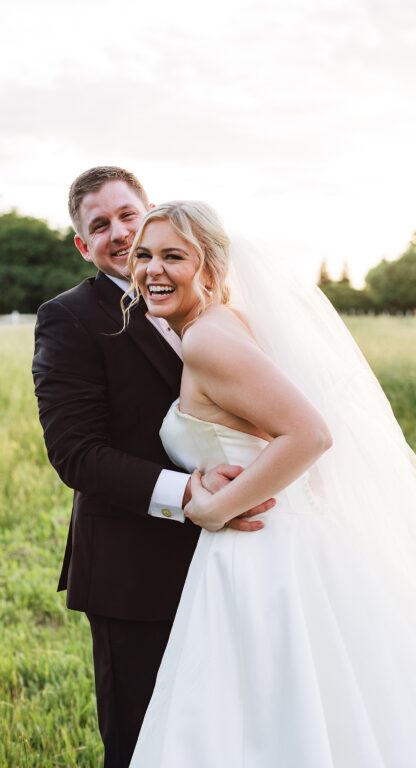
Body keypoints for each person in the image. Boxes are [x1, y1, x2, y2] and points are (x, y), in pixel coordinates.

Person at [123, 201, 416, 766]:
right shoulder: (221, 324)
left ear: (210, 269)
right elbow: (253, 433)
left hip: (261, 549)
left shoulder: (207, 339)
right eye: (145, 255)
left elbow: (309, 434)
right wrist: (208, 471)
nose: (152, 269)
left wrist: (212, 508)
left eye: (173, 256)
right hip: (276, 537)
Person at [32, 167, 272, 768]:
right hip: (134, 572)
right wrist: (190, 493)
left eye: (126, 214)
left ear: (152, 212)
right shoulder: (69, 318)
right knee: (145, 744)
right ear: (84, 246)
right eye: (99, 225)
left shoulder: (217, 301)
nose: (118, 232)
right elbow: (75, 452)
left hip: (242, 564)